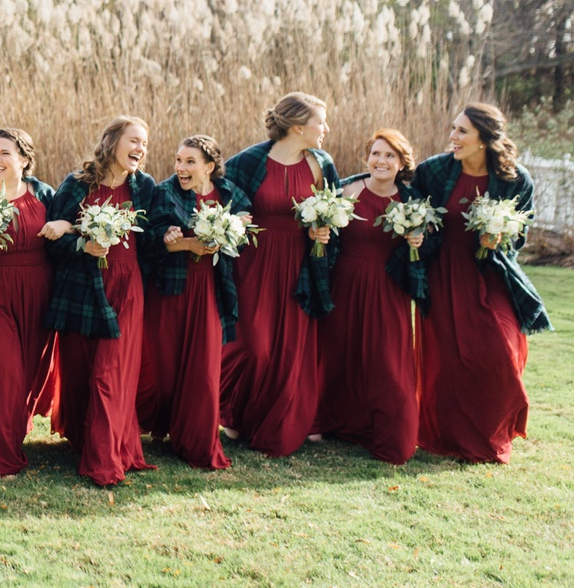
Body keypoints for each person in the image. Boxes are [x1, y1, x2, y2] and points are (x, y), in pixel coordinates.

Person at [415, 103, 551, 463]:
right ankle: (452, 436)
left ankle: (493, 432)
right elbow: (406, 201)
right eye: (453, 129)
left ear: (484, 139)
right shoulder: (434, 170)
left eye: (462, 131)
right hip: (443, 273)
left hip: (491, 273)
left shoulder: (515, 179)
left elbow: (520, 233)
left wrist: (500, 238)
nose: (453, 137)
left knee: (498, 351)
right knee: (449, 360)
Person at [221, 92, 339, 458]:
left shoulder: (322, 163)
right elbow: (224, 199)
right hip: (254, 263)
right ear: (298, 126)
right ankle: (235, 413)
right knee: (254, 345)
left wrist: (324, 231)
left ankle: (286, 420)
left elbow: (333, 212)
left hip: (300, 264)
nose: (326, 129)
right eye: (321, 122)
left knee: (292, 346)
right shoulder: (249, 161)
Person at [41, 115, 157, 487]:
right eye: (134, 140)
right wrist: (79, 240)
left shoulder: (145, 187)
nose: (140, 148)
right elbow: (52, 242)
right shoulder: (77, 185)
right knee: (82, 371)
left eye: (145, 143)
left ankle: (104, 462)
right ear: (112, 141)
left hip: (127, 288)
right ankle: (84, 436)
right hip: (83, 287)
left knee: (111, 375)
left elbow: (151, 240)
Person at [316, 129, 426, 465]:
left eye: (390, 155)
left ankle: (392, 434)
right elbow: (322, 233)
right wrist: (317, 231)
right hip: (345, 281)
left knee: (387, 360)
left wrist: (417, 241)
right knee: (339, 352)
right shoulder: (346, 190)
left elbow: (430, 244)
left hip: (387, 287)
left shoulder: (411, 201)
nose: (381, 161)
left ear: (402, 163)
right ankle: (334, 421)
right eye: (376, 154)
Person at [142, 135, 246, 471]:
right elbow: (156, 242)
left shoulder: (226, 192)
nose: (181, 168)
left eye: (190, 162)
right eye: (178, 160)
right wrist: (183, 242)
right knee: (166, 369)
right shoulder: (165, 191)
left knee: (203, 367)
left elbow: (246, 215)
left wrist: (233, 225)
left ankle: (198, 440)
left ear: (210, 167)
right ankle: (164, 424)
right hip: (172, 289)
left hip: (211, 288)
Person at [0, 128, 55, 478]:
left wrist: (63, 224)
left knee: (27, 375)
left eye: (5, 153)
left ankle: (11, 432)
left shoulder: (44, 193)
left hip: (36, 292)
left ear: (24, 160)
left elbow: (64, 237)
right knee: (0, 373)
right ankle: (4, 455)